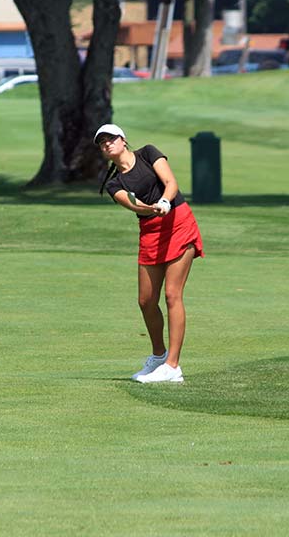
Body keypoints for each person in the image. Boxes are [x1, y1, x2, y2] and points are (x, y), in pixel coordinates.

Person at [95, 123, 204, 383]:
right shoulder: (114, 183)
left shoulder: (147, 153)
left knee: (172, 294)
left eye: (111, 139)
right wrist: (150, 209)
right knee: (145, 300)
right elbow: (132, 204)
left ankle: (173, 366)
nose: (107, 144)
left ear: (123, 140)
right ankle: (158, 357)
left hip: (178, 222)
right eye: (102, 143)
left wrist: (165, 201)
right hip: (151, 231)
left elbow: (170, 182)